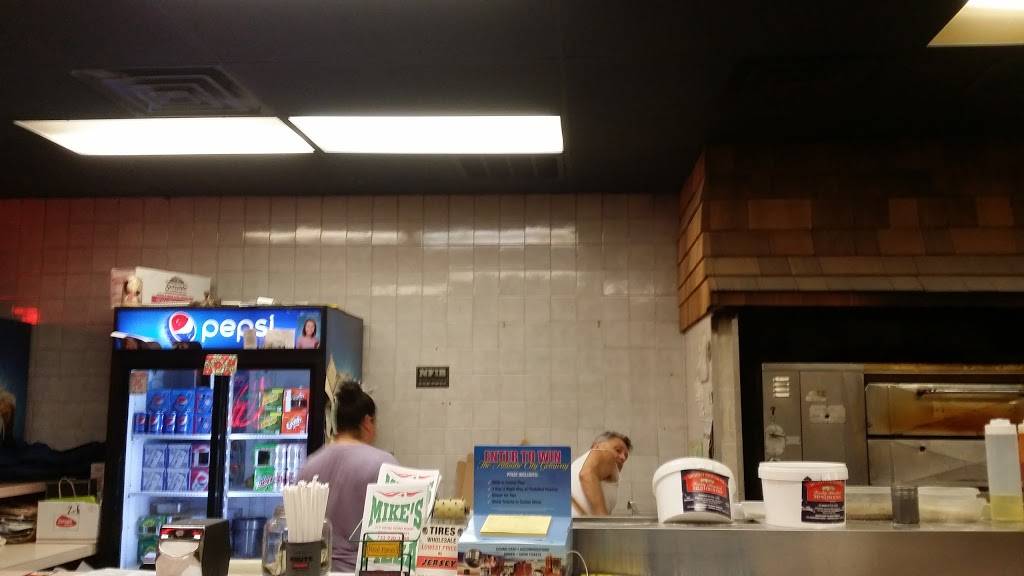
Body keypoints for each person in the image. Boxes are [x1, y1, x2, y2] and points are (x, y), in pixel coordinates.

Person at [298, 382, 396, 571]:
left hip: (316, 569)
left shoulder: (309, 465)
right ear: (367, 422)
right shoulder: (384, 465)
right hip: (365, 571)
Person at [570, 431, 632, 517]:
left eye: (626, 456)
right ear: (596, 446)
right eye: (618, 450)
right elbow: (587, 474)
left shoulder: (575, 466)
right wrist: (603, 521)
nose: (623, 458)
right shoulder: (606, 455)